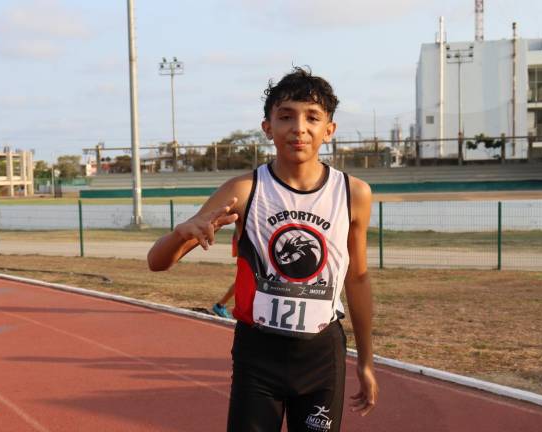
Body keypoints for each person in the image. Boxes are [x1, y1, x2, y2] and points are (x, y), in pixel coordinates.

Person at [148, 67, 378, 431]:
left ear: (329, 130)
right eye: (285, 116)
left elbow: (358, 278)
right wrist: (181, 234)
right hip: (258, 356)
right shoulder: (244, 190)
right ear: (267, 127)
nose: (298, 127)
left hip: (322, 356)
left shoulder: (353, 194)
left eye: (312, 118)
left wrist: (365, 360)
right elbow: (156, 263)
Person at [213, 232, 238, 318]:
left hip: (245, 240)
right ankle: (220, 305)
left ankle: (220, 305)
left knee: (243, 282)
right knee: (242, 281)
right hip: (245, 241)